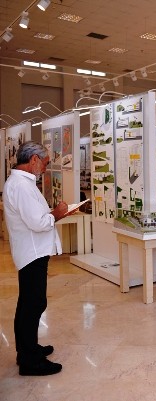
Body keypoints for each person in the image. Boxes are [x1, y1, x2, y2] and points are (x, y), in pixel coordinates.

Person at [2, 141, 70, 376]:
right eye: (46, 162)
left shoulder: (21, 183)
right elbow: (38, 223)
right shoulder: (21, 185)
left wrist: (51, 214)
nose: (46, 167)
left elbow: (35, 217)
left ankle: (27, 350)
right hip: (32, 253)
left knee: (28, 303)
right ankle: (30, 361)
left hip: (31, 251)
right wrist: (57, 214)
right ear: (33, 160)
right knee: (33, 304)